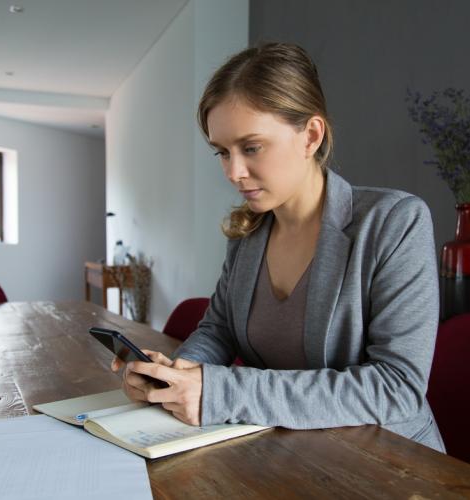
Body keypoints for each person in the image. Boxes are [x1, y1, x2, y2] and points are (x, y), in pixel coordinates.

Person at [111, 42, 445, 452]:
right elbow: (218, 332)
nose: (234, 172)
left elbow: (397, 387)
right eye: (222, 152)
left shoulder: (395, 222)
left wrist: (221, 392)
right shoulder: (247, 236)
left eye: (251, 147)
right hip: (285, 457)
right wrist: (172, 376)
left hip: (388, 465)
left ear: (311, 135)